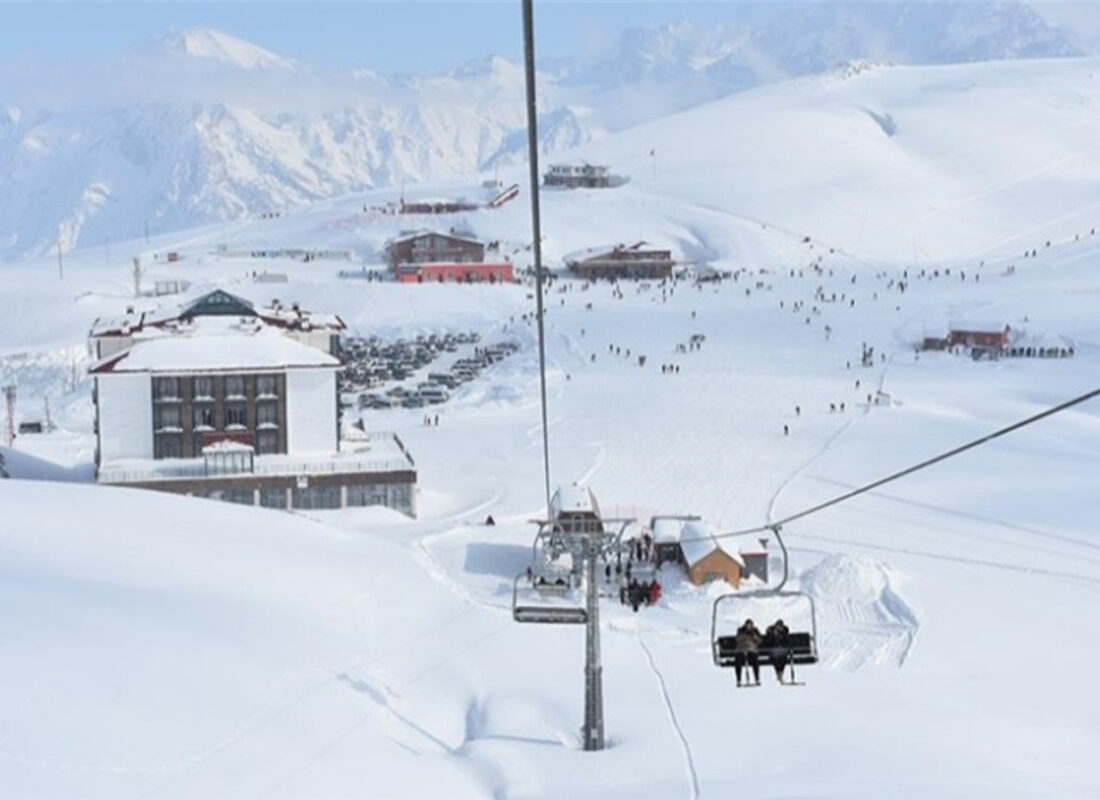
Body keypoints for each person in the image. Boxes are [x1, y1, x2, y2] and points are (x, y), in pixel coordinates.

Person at [733, 619, 763, 686]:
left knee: (755, 660)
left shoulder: (755, 631)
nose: (749, 627)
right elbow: (737, 639)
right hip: (741, 650)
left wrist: (754, 636)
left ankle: (757, 678)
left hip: (752, 650)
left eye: (750, 625)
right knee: (738, 660)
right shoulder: (740, 631)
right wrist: (744, 636)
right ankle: (738, 679)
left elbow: (760, 641)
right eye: (748, 625)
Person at [765, 619, 792, 684]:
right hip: (774, 650)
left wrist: (782, 636)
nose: (779, 628)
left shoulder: (784, 633)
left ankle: (780, 673)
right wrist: (773, 635)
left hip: (782, 650)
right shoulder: (771, 632)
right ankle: (779, 673)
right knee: (776, 658)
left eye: (780, 626)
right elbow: (768, 643)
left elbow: (787, 642)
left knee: (783, 658)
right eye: (778, 626)